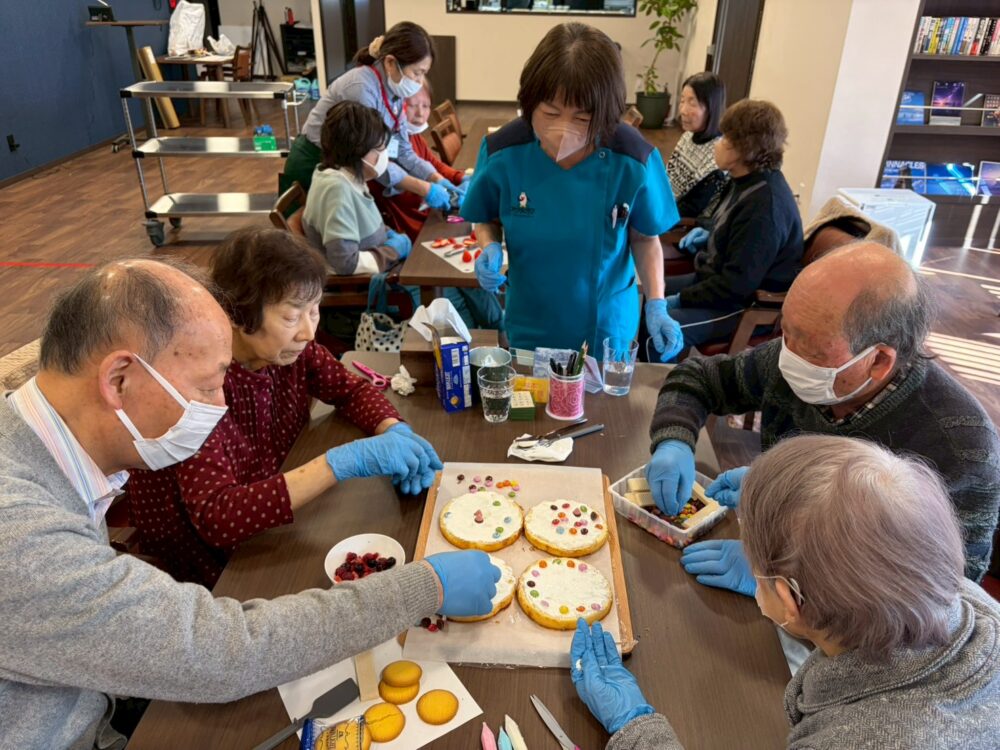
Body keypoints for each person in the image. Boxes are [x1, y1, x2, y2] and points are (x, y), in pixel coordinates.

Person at [0, 258, 498, 749]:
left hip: (100, 693)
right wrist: (426, 585)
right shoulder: (19, 536)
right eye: (207, 386)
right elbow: (222, 653)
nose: (220, 405)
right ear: (118, 381)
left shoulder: (45, 447)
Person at [571, 435, 1000, 749]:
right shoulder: (956, 595)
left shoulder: (864, 740)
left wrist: (636, 727)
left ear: (789, 599)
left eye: (751, 553)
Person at [646, 242, 1000, 583]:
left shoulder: (959, 445)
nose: (787, 355)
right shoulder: (790, 358)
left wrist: (795, 575)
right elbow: (698, 378)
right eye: (786, 332)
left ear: (877, 360)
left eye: (812, 349)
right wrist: (673, 441)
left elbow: (950, 589)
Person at [127, 229, 441, 587]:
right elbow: (218, 518)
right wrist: (341, 462)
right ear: (238, 315)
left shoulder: (292, 352)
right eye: (292, 318)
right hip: (207, 565)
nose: (308, 332)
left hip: (275, 517)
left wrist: (392, 429)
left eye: (315, 310)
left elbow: (350, 389)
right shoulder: (201, 385)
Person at [461, 22, 680, 357]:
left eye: (581, 118)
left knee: (604, 407)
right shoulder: (503, 151)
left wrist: (657, 303)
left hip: (605, 324)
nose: (562, 130)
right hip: (531, 317)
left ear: (606, 112)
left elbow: (644, 237)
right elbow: (486, 217)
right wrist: (489, 246)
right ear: (529, 102)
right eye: (550, 113)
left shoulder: (632, 157)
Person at [661, 99, 804, 357]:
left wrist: (681, 299)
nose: (718, 143)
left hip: (740, 305)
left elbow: (736, 285)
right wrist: (708, 235)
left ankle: (666, 390)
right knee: (644, 296)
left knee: (658, 328)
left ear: (745, 149)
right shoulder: (741, 181)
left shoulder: (764, 207)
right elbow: (722, 222)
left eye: (726, 138)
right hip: (712, 279)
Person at [284, 22, 461, 215]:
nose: (419, 82)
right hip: (314, 162)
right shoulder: (361, 89)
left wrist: (440, 180)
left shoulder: (394, 88)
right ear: (391, 62)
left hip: (347, 166)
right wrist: (425, 189)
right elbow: (371, 161)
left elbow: (404, 151)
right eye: (417, 73)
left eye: (423, 74)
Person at [302, 100, 413, 276]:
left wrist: (390, 235)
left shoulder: (347, 176)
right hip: (373, 286)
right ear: (357, 151)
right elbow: (345, 263)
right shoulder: (336, 190)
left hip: (385, 270)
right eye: (378, 149)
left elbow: (364, 223)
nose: (383, 154)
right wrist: (393, 251)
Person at [372, 81, 469, 242]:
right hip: (409, 225)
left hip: (427, 214)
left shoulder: (414, 136)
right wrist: (431, 190)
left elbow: (434, 164)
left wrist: (459, 177)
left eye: (426, 106)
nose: (420, 113)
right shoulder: (384, 142)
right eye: (412, 105)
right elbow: (395, 188)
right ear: (397, 105)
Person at [665, 72, 728, 219]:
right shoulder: (688, 136)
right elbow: (668, 178)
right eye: (682, 101)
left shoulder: (719, 155)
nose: (683, 111)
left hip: (681, 226)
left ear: (712, 108)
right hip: (665, 207)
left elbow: (690, 209)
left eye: (692, 103)